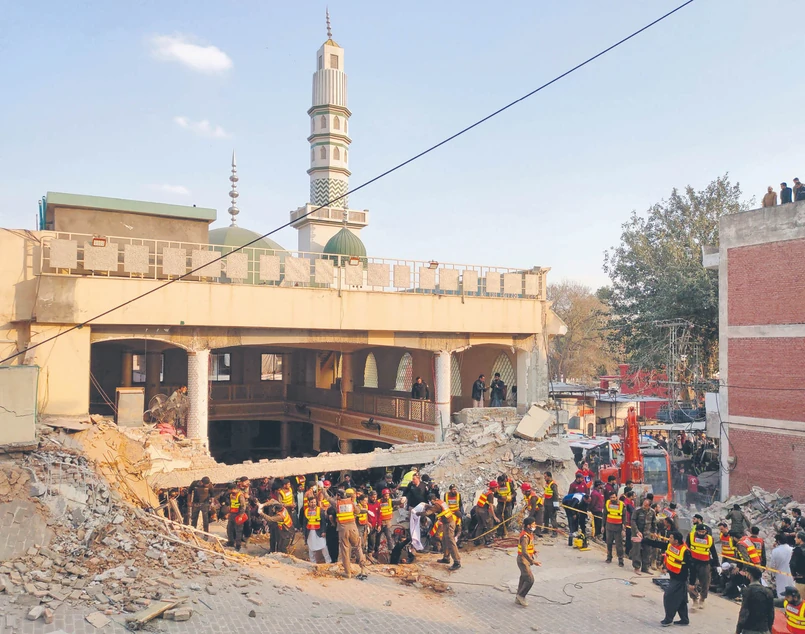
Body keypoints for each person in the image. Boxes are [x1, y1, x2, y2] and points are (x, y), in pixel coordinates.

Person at [329, 489, 368, 580]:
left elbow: (328, 498)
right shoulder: (351, 503)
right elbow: (358, 511)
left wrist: (323, 490)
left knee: (345, 551)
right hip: (353, 528)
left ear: (338, 496)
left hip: (343, 530)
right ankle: (363, 569)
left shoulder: (337, 503)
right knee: (358, 547)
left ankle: (348, 573)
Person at [660, 531, 695, 627]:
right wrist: (643, 540)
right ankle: (684, 619)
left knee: (668, 596)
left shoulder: (685, 551)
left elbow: (692, 568)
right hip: (673, 576)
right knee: (681, 599)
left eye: (671, 538)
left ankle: (668, 619)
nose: (669, 539)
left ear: (676, 541)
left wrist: (692, 583)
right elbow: (659, 544)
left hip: (680, 578)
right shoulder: (671, 545)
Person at [687, 523, 719, 610]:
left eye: (703, 532)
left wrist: (717, 564)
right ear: (697, 531)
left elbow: (713, 552)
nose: (701, 533)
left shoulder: (710, 539)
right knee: (691, 583)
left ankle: (702, 599)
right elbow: (687, 548)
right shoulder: (690, 536)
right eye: (700, 531)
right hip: (693, 562)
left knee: (705, 582)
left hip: (705, 563)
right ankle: (694, 599)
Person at [735, 566, 774, 634]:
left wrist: (738, 630)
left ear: (750, 576)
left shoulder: (747, 591)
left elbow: (744, 613)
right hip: (764, 630)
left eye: (746, 574)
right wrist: (769, 629)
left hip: (750, 629)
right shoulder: (768, 592)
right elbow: (771, 614)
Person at [515, 516, 540, 607]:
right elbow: (524, 552)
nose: (535, 526)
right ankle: (521, 596)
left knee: (523, 578)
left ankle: (518, 596)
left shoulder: (529, 534)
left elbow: (528, 547)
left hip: (526, 560)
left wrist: (533, 551)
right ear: (528, 526)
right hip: (523, 560)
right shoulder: (525, 537)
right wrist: (533, 561)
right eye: (533, 524)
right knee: (530, 580)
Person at [302, 496, 331, 563]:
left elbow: (323, 522)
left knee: (323, 546)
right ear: (309, 503)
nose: (313, 504)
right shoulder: (306, 511)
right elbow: (304, 523)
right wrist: (304, 533)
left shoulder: (320, 510)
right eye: (312, 502)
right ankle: (313, 562)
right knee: (311, 547)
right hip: (309, 532)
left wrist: (323, 531)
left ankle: (328, 561)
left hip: (319, 531)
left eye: (314, 502)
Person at [473, 481, 500, 546]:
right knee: (489, 525)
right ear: (493, 488)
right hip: (483, 511)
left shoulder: (486, 491)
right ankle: (488, 540)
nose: (497, 489)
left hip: (477, 509)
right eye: (496, 487)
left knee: (480, 525)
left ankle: (477, 540)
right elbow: (491, 506)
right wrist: (494, 516)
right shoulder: (490, 494)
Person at [604, 491, 626, 567]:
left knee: (619, 545)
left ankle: (620, 560)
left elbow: (624, 517)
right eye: (611, 497)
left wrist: (624, 529)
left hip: (618, 527)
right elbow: (604, 515)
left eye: (613, 497)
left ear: (616, 497)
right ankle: (609, 557)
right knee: (609, 543)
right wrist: (603, 526)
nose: (612, 499)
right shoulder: (607, 503)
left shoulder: (622, 504)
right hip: (609, 526)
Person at [769, 533, 794, 598]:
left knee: (781, 592)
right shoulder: (792, 549)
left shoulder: (775, 551)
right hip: (791, 574)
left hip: (780, 574)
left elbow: (772, 565)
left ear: (778, 541)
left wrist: (773, 574)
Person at [225, 482, 248, 551]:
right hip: (232, 514)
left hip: (238, 515)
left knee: (238, 531)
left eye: (229, 489)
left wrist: (241, 516)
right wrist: (229, 513)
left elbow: (243, 506)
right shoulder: (231, 495)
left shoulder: (240, 495)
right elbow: (232, 505)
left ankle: (238, 545)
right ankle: (231, 542)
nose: (228, 491)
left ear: (232, 489)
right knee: (229, 529)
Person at [791, 531, 805, 597]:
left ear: (800, 539)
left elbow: (792, 564)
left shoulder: (798, 550)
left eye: (796, 537)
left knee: (800, 600)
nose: (795, 539)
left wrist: (794, 575)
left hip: (800, 580)